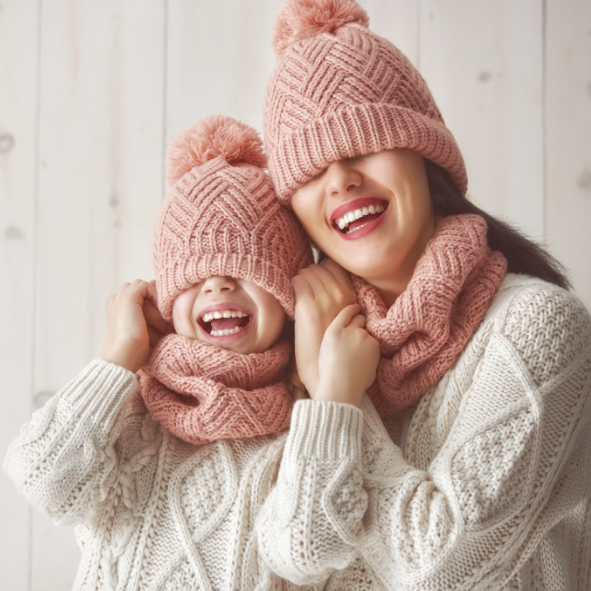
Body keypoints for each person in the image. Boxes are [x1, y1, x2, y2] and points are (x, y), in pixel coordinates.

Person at [254, 1, 591, 589]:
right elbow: (292, 557)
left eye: (364, 144)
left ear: (424, 153)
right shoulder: (306, 340)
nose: (340, 180)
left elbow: (441, 569)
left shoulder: (538, 327)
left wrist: (340, 401)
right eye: (309, 171)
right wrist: (328, 384)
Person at [4, 116, 322, 590]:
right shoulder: (132, 411)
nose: (217, 283)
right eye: (193, 277)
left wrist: (331, 394)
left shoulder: (309, 424)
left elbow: (313, 550)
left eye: (244, 266)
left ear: (289, 294)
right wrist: (118, 356)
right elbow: (43, 479)